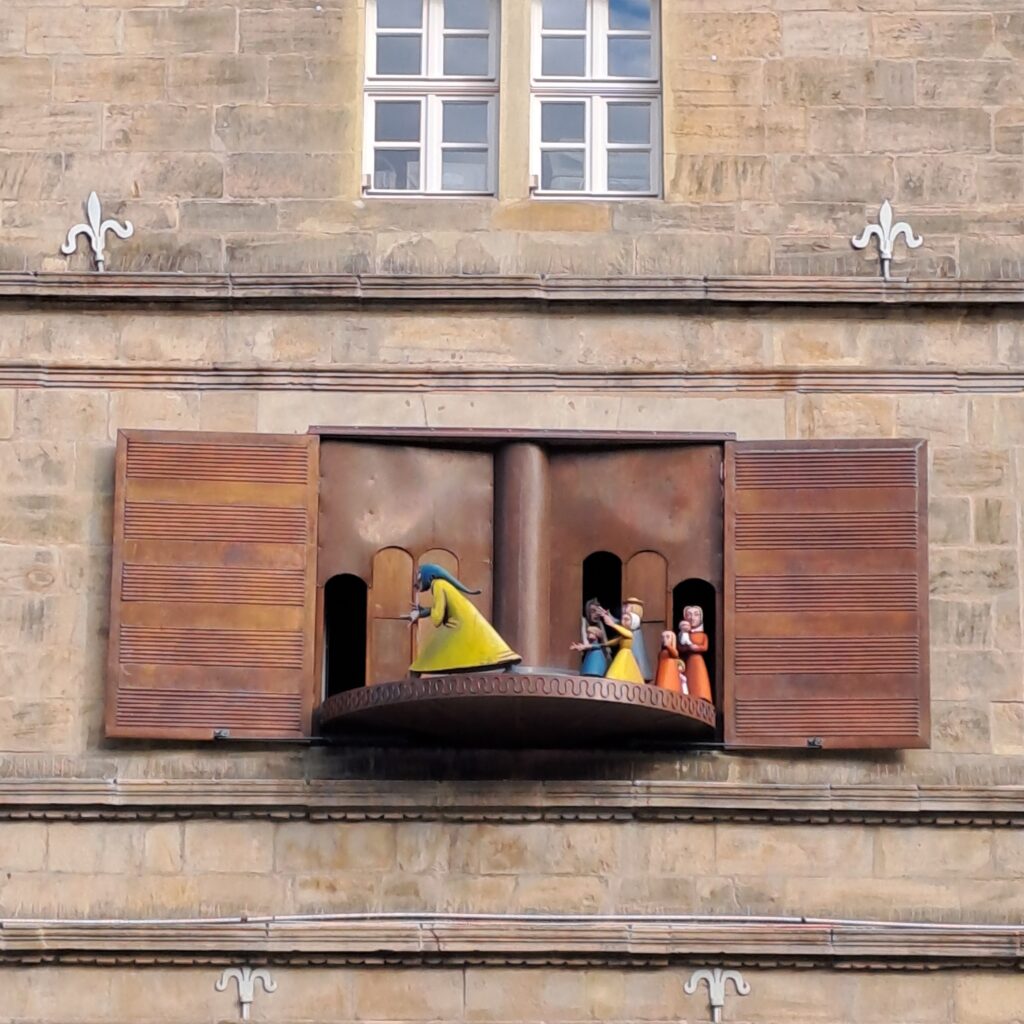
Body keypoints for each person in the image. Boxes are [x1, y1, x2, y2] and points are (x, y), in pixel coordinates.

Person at [407, 563, 520, 675]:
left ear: (428, 575)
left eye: (419, 577)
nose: (416, 583)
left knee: (433, 651)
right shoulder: (442, 584)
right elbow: (441, 609)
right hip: (463, 623)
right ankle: (509, 664)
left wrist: (422, 612)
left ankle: (416, 672)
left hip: (457, 625)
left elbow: (438, 618)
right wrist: (422, 612)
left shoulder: (438, 585)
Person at [678, 605, 712, 703]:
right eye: (689, 615)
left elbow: (705, 647)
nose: (692, 618)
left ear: (701, 617)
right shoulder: (683, 635)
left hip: (698, 661)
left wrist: (696, 648)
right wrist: (687, 647)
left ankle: (702, 697)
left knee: (699, 680)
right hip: (687, 661)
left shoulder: (703, 635)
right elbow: (679, 647)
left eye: (696, 615)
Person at [620, 597, 653, 682]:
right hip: (631, 640)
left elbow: (629, 626)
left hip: (634, 639)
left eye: (627, 606)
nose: (624, 608)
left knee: (636, 657)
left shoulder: (634, 618)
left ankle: (639, 673)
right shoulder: (627, 617)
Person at [576, 598, 611, 676]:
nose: (596, 614)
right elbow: (584, 638)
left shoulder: (600, 624)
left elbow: (605, 643)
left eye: (597, 612)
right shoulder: (584, 621)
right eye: (593, 611)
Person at [654, 629, 687, 694]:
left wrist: (668, 646)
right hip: (662, 670)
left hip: (669, 671)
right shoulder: (662, 652)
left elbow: (675, 654)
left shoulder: (671, 651)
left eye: (667, 637)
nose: (664, 639)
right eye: (663, 637)